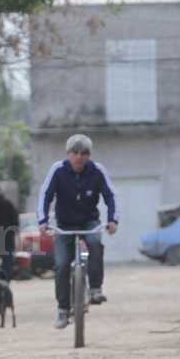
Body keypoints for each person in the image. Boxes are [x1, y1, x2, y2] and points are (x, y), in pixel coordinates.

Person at [37, 134, 118, 329]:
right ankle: (63, 310)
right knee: (62, 264)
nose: (79, 157)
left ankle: (95, 288)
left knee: (95, 243)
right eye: (75, 153)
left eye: (84, 153)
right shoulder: (57, 171)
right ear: (68, 154)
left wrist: (112, 220)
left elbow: (110, 196)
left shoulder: (97, 171)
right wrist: (43, 221)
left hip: (89, 221)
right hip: (63, 225)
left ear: (89, 155)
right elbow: (45, 195)